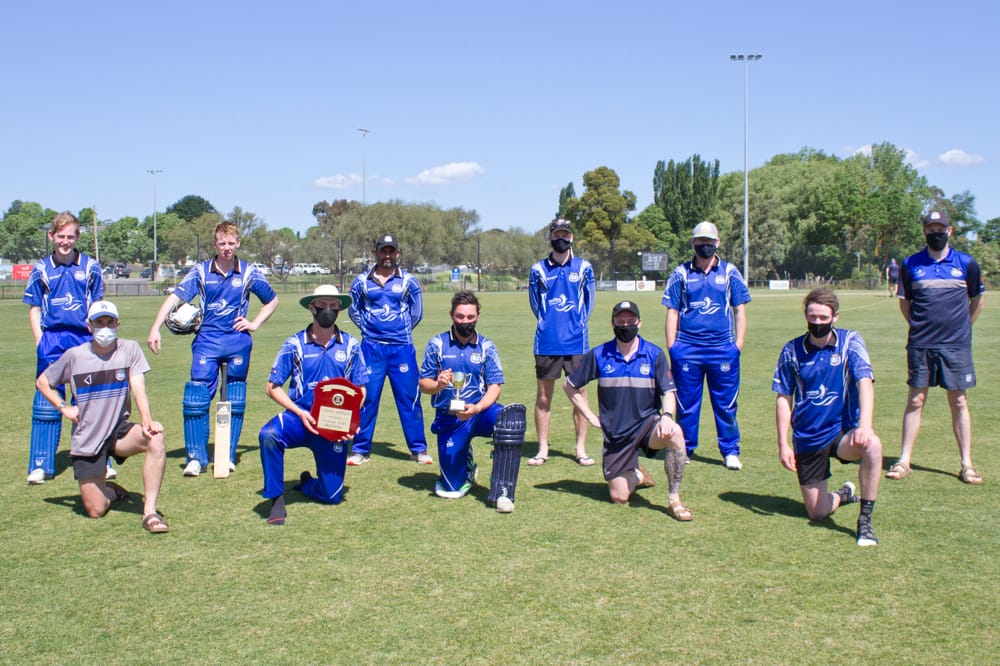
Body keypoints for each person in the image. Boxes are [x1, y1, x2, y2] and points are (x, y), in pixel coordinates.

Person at [147, 221, 279, 476]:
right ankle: (196, 458)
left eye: (231, 243)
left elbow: (272, 300)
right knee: (196, 399)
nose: (227, 248)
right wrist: (155, 328)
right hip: (206, 341)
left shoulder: (249, 272)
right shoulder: (200, 272)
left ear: (238, 243)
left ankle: (226, 456)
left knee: (234, 400)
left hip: (237, 342)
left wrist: (254, 323)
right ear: (214, 244)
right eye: (222, 243)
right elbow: (175, 298)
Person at [35, 301, 169, 532]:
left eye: (109, 322)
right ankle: (111, 491)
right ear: (89, 326)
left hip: (118, 431)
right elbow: (43, 382)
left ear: (117, 324)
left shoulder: (129, 349)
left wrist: (147, 420)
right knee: (96, 510)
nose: (104, 327)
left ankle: (150, 512)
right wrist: (64, 407)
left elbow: (138, 387)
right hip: (87, 438)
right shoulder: (74, 356)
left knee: (155, 439)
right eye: (99, 322)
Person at [772, 288, 882, 546]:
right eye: (813, 317)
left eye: (824, 317)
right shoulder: (791, 351)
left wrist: (865, 426)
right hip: (808, 436)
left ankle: (865, 521)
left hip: (841, 432)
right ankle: (844, 494)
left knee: (873, 445)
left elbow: (865, 381)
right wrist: (783, 443)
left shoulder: (850, 342)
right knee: (817, 512)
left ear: (836, 317)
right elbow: (783, 398)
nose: (818, 323)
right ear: (806, 316)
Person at [563, 300, 692, 520]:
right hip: (616, 435)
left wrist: (668, 417)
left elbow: (669, 392)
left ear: (639, 323)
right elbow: (569, 385)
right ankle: (637, 474)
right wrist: (590, 415)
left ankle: (674, 500)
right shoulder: (599, 354)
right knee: (619, 497)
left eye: (630, 321)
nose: (625, 325)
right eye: (620, 321)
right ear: (613, 324)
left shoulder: (653, 354)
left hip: (647, 426)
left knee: (676, 434)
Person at [887, 210, 985, 484]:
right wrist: (919, 327)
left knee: (959, 401)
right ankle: (904, 460)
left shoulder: (967, 263)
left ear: (950, 230)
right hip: (921, 343)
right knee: (915, 400)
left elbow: (976, 300)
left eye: (940, 228)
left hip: (956, 345)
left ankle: (966, 463)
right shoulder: (910, 264)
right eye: (931, 228)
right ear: (924, 231)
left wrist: (964, 327)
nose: (936, 232)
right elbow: (905, 303)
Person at [257, 286, 369, 525]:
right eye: (322, 305)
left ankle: (308, 482)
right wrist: (299, 412)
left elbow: (361, 389)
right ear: (311, 308)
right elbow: (272, 386)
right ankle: (276, 500)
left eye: (333, 306)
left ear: (340, 309)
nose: (328, 311)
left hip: (333, 424)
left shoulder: (351, 345)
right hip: (299, 417)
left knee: (333, 497)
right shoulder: (293, 344)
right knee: (268, 435)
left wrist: (351, 421)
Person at [419, 291, 526, 513]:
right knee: (450, 490)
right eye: (460, 316)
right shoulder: (437, 344)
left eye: (470, 317)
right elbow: (423, 384)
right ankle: (466, 466)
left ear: (477, 316)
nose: (465, 322)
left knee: (509, 421)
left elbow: (494, 386)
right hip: (449, 417)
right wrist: (438, 385)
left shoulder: (487, 347)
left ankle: (502, 491)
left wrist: (477, 408)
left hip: (479, 412)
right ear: (451, 315)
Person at [23, 211, 108, 485]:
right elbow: (34, 308)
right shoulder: (41, 269)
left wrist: (98, 337)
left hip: (83, 339)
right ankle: (40, 464)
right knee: (47, 399)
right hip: (52, 339)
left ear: (77, 237)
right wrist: (40, 341)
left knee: (87, 400)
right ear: (51, 236)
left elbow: (98, 306)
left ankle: (95, 460)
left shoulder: (91, 267)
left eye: (70, 236)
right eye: (60, 236)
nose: (65, 241)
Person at [662, 221, 751, 470]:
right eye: (700, 241)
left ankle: (730, 450)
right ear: (692, 243)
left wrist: (738, 344)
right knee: (687, 404)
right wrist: (673, 348)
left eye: (709, 242)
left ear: (717, 243)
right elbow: (672, 312)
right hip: (687, 349)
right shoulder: (680, 273)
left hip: (722, 349)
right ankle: (686, 447)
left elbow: (739, 310)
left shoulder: (730, 272)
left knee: (726, 403)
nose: (705, 246)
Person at [347, 234, 431, 466]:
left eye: (391, 251)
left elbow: (417, 313)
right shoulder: (361, 281)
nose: (387, 256)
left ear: (397, 254)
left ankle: (418, 449)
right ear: (375, 252)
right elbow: (353, 310)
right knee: (366, 398)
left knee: (409, 399)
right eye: (383, 251)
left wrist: (398, 331)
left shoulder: (409, 281)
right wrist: (370, 329)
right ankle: (360, 449)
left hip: (401, 348)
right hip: (370, 349)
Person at [527, 218, 596, 467]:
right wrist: (549, 324)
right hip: (546, 342)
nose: (561, 237)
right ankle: (543, 448)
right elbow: (536, 305)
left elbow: (588, 304)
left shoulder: (584, 267)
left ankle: (580, 448)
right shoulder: (538, 269)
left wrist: (575, 325)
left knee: (579, 396)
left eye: (565, 233)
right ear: (550, 237)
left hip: (577, 343)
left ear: (572, 237)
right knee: (544, 398)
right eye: (556, 233)